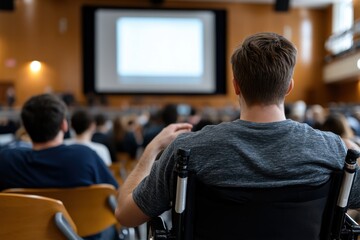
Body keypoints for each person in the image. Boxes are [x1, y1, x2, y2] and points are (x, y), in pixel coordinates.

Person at [115, 32, 360, 230]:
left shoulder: (187, 150)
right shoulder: (333, 150)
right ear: (289, 87)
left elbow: (125, 215)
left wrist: (152, 149)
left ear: (236, 86)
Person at [0, 93, 119, 240]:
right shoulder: (85, 156)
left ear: (26, 127)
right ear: (64, 125)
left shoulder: (6, 160)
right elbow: (114, 195)